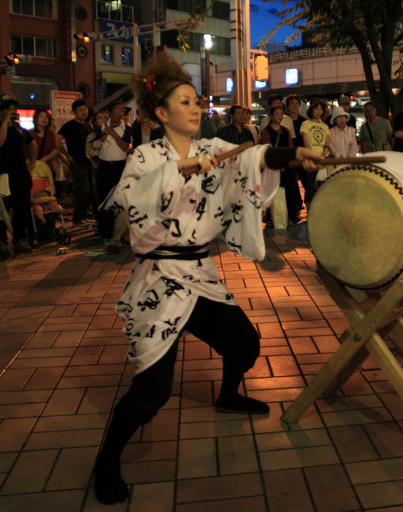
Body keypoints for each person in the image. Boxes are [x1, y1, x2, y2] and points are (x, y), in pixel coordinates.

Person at [91, 53, 322, 505]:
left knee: (245, 345)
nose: (196, 109)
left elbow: (253, 158)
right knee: (151, 392)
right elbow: (130, 197)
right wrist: (176, 170)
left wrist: (293, 154)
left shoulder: (213, 150)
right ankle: (106, 460)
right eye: (185, 102)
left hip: (199, 271)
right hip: (160, 279)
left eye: (197, 102)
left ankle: (228, 395)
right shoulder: (145, 156)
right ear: (160, 113)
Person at [0, 97, 37, 255]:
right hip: (3, 174)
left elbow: (32, 144)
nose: (12, 113)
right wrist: (4, 122)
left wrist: (32, 163)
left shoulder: (19, 128)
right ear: (0, 111)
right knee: (3, 208)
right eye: (8, 110)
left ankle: (20, 238)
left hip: (21, 173)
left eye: (13, 111)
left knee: (22, 208)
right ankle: (1, 240)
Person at [94, 99, 132, 254]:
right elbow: (95, 146)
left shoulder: (127, 128)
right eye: (117, 109)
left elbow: (125, 147)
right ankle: (107, 236)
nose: (120, 112)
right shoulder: (102, 127)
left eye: (122, 109)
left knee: (121, 202)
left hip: (120, 168)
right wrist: (103, 136)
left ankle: (118, 236)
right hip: (104, 167)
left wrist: (114, 134)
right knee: (105, 202)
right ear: (109, 113)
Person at [259, 104, 300, 225]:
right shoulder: (266, 132)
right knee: (272, 191)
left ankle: (290, 216)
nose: (279, 116)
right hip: (272, 166)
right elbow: (267, 149)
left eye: (281, 114)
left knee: (289, 190)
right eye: (277, 114)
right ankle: (273, 218)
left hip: (286, 166)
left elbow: (290, 148)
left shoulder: (286, 131)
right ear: (270, 116)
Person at [57, 100, 94, 224]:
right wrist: (66, 155)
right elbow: (57, 140)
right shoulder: (69, 125)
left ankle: (84, 215)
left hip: (89, 162)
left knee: (90, 190)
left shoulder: (88, 126)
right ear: (74, 112)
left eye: (85, 109)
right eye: (80, 110)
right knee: (82, 189)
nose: (84, 112)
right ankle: (78, 218)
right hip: (77, 161)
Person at [299, 99, 330, 201]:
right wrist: (314, 157)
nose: (319, 111)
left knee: (322, 188)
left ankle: (320, 211)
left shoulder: (325, 126)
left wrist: (323, 157)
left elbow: (327, 144)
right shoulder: (306, 124)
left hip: (322, 160)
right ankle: (310, 213)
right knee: (309, 188)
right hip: (310, 160)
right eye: (317, 109)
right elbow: (307, 144)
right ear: (311, 110)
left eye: (321, 109)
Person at [29, 108, 61, 177]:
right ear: (36, 118)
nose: (44, 119)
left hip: (47, 166)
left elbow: (55, 150)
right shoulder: (29, 133)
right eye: (41, 116)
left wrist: (44, 159)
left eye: (46, 117)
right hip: (32, 166)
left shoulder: (50, 134)